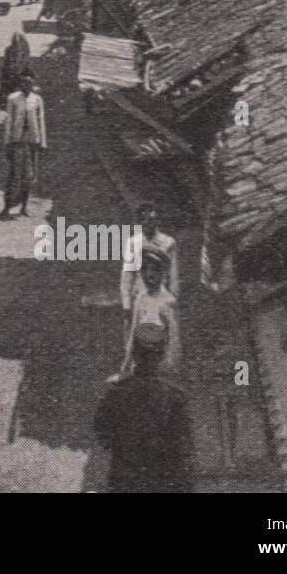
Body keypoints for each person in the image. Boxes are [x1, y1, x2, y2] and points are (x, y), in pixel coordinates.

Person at [93, 324, 195, 493]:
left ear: (134, 354)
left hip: (126, 478)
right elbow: (184, 444)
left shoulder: (117, 392)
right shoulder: (174, 395)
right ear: (162, 355)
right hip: (165, 479)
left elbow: (102, 431)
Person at [118, 249, 180, 378]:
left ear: (163, 273)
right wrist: (126, 364)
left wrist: (169, 367)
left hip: (159, 365)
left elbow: (173, 339)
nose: (149, 275)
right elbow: (133, 333)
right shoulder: (141, 298)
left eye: (154, 270)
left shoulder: (168, 302)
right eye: (144, 270)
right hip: (140, 362)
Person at [120, 205, 179, 315]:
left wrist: (174, 297)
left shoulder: (168, 242)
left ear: (156, 220)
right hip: (139, 297)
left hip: (162, 297)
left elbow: (173, 274)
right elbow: (127, 276)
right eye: (143, 219)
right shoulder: (133, 242)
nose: (147, 223)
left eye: (150, 219)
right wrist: (127, 305)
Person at [1, 73, 46, 217]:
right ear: (21, 84)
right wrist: (8, 142)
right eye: (24, 83)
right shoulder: (13, 99)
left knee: (29, 176)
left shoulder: (37, 99)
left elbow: (41, 121)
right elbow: (9, 121)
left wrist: (42, 142)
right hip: (17, 141)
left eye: (30, 83)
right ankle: (7, 206)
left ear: (33, 84)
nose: (27, 86)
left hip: (32, 142)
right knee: (14, 174)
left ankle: (24, 207)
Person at [0, 30, 32, 111]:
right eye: (15, 42)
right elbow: (6, 64)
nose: (17, 43)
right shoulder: (9, 50)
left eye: (19, 41)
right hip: (11, 77)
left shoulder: (25, 50)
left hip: (21, 78)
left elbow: (26, 65)